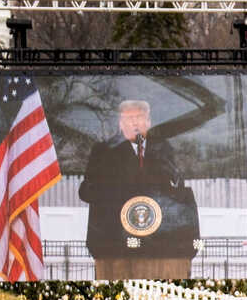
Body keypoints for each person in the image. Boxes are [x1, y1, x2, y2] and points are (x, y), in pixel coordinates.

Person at [79, 99, 200, 280]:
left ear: (149, 122)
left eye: (139, 118)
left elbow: (175, 189)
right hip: (116, 244)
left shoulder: (163, 149)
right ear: (120, 123)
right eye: (129, 118)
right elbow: (86, 192)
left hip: (159, 247)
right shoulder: (104, 151)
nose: (135, 123)